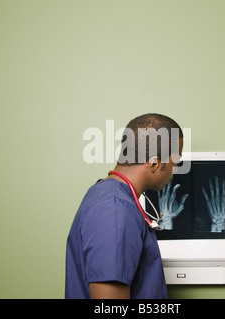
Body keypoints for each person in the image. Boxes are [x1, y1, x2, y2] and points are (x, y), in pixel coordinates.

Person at [65, 113, 184, 299]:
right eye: (176, 161)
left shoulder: (109, 196)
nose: (175, 169)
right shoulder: (114, 209)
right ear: (155, 163)